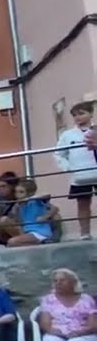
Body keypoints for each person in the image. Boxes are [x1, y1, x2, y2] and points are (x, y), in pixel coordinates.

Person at [54, 101, 97, 240]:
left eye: (81, 113)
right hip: (79, 174)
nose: (78, 117)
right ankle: (85, 233)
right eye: (75, 115)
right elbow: (59, 154)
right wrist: (69, 168)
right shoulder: (68, 135)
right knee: (83, 203)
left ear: (91, 114)